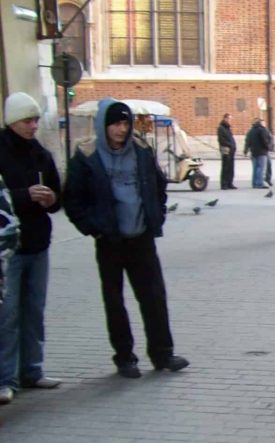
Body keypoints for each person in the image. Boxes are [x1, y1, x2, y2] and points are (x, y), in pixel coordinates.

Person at [62, 98, 188, 379]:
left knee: (154, 296)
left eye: (125, 123)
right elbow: (73, 199)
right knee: (115, 300)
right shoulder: (87, 154)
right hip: (110, 240)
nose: (122, 129)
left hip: (141, 236)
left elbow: (158, 184)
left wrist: (158, 213)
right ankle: (124, 357)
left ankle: (162, 353)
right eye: (116, 124)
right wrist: (93, 228)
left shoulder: (141, 149)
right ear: (104, 125)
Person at [0, 93, 63, 404]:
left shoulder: (41, 154)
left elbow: (57, 193)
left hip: (38, 243)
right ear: (12, 121)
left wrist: (53, 199)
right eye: (27, 120)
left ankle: (32, 370)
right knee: (7, 314)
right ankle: (5, 379)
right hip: (8, 249)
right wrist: (24, 195)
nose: (33, 125)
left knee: (34, 310)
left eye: (36, 119)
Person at [244, 117, 272, 189]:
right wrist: (268, 147)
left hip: (253, 152)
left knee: (255, 168)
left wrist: (246, 150)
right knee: (261, 168)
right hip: (262, 152)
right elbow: (264, 140)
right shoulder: (262, 130)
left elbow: (247, 141)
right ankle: (260, 183)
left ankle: (254, 183)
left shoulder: (251, 131)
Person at [217, 113, 237, 189]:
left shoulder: (228, 128)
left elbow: (231, 138)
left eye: (230, 119)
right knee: (225, 167)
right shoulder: (221, 128)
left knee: (231, 167)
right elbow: (221, 140)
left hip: (231, 150)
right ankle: (224, 184)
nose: (230, 120)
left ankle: (230, 183)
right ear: (225, 118)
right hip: (226, 150)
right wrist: (229, 145)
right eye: (229, 119)